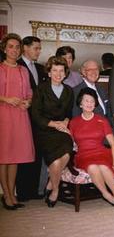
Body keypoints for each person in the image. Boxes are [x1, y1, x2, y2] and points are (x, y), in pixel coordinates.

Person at [73, 59, 114, 195]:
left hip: (107, 129)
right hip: (92, 135)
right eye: (90, 70)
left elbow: (109, 112)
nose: (94, 72)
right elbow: (76, 117)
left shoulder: (101, 89)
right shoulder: (77, 90)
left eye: (96, 69)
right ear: (83, 72)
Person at [69, 87, 114, 209]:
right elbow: (70, 143)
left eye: (92, 101)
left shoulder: (102, 120)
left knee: (103, 167)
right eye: (86, 101)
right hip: (83, 155)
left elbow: (113, 144)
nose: (89, 104)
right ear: (80, 103)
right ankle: (106, 194)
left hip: (100, 152)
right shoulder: (73, 122)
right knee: (92, 167)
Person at [31, 56, 74, 208]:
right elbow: (35, 114)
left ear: (65, 73)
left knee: (67, 152)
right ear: (49, 73)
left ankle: (51, 182)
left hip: (62, 130)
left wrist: (65, 122)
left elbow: (69, 112)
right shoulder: (41, 89)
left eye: (61, 71)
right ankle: (55, 189)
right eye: (54, 70)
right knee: (56, 161)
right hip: (45, 130)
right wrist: (53, 124)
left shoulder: (69, 91)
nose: (58, 74)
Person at [0, 33, 35, 210]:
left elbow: (29, 92)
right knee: (3, 156)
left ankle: (12, 194)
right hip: (4, 114)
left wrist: (28, 101)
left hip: (20, 115)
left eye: (17, 47)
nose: (14, 50)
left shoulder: (23, 70)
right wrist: (6, 99)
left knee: (15, 156)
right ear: (4, 48)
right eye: (11, 46)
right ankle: (6, 194)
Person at [16, 36, 48, 201]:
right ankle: (22, 192)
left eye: (39, 48)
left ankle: (33, 190)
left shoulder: (41, 68)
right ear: (25, 48)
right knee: (23, 154)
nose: (38, 51)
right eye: (36, 48)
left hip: (38, 119)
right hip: (21, 116)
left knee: (36, 153)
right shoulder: (17, 66)